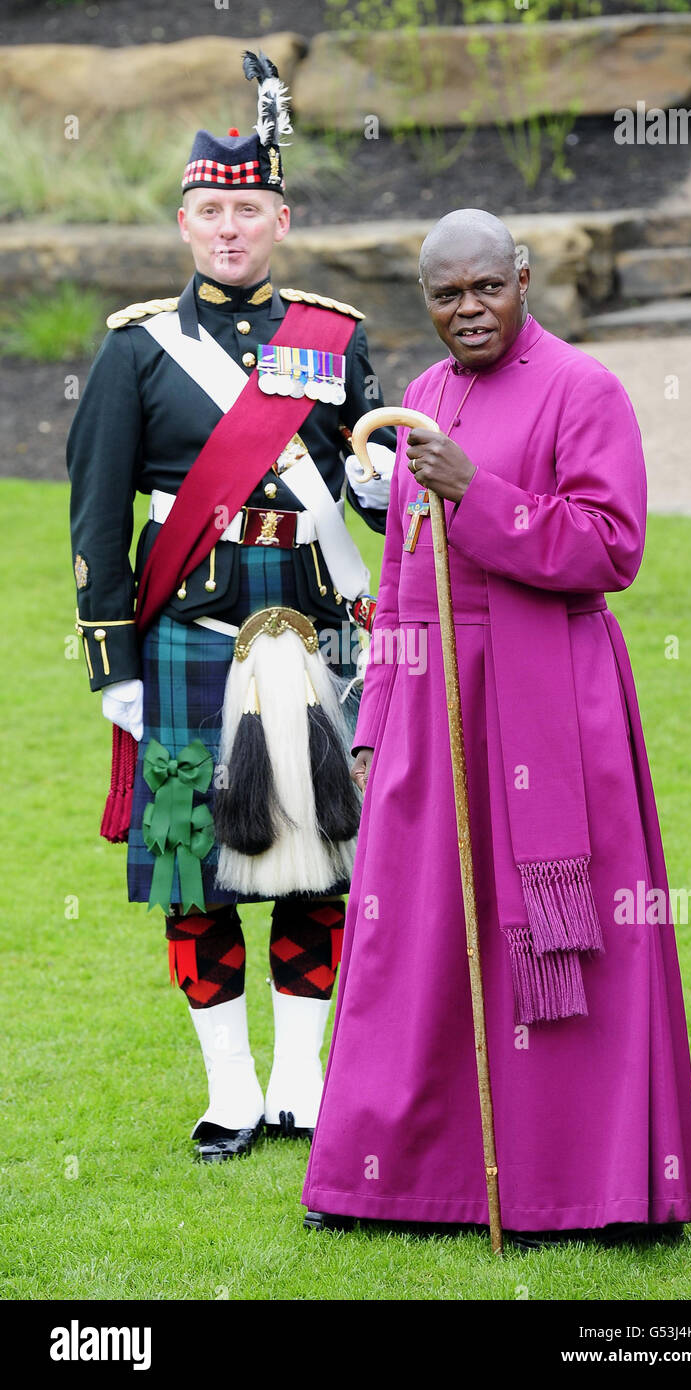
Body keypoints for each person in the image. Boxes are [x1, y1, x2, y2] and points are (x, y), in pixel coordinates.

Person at [302, 209, 691, 1241]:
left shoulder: (584, 388)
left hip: (549, 697)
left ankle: (593, 1189)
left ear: (522, 279)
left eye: (485, 287)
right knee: (421, 932)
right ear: (425, 300)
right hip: (433, 699)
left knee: (566, 939)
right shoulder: (424, 397)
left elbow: (610, 547)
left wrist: (475, 494)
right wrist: (374, 721)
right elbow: (397, 582)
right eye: (446, 295)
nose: (467, 309)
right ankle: (401, 1181)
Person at [67, 52, 395, 1162]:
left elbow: (380, 487)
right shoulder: (133, 350)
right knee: (190, 877)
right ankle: (231, 1091)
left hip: (319, 636)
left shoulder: (334, 337)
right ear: (183, 220)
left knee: (322, 861)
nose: (228, 229)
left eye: (247, 208)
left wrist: (376, 484)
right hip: (186, 643)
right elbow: (95, 519)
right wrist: (113, 666)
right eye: (209, 209)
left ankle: (303, 1081)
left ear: (279, 216)